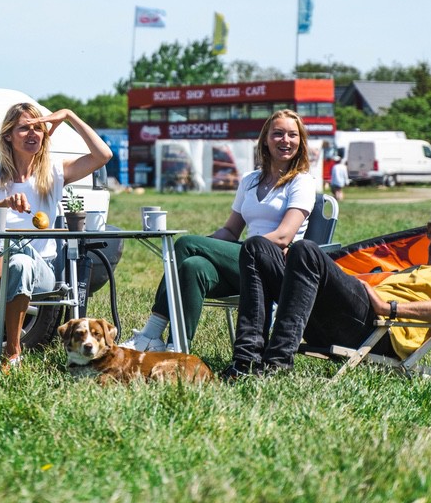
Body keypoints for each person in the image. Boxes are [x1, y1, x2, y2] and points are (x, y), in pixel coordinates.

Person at [224, 197, 431, 380]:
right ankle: (246, 361)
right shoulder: (412, 271)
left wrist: (390, 308)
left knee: (306, 250)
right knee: (257, 247)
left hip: (379, 333)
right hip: (342, 322)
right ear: (429, 231)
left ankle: (277, 365)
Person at [121, 109, 317, 353]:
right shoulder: (250, 180)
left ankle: (151, 333)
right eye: (278, 134)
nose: (285, 141)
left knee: (185, 244)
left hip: (275, 266)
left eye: (292, 135)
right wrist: (208, 247)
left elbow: (283, 237)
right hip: (246, 264)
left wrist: (200, 245)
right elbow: (230, 230)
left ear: (301, 142)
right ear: (265, 139)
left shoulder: (302, 182)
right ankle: (176, 350)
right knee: (193, 265)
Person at [0, 103, 111, 368]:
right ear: (8, 135)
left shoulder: (54, 172)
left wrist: (68, 116)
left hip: (42, 273)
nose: (33, 134)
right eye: (24, 128)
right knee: (17, 258)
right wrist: (4, 203)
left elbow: (103, 155)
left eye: (38, 128)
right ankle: (13, 351)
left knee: (19, 252)